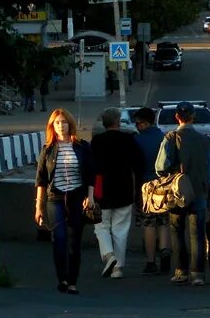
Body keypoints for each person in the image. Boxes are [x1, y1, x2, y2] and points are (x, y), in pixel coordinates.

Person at [33, 109, 96, 294]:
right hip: (55, 198)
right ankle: (62, 278)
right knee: (59, 238)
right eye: (58, 123)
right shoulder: (48, 149)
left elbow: (91, 175)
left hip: (77, 197)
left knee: (74, 241)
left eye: (64, 122)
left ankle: (72, 281)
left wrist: (90, 197)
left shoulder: (82, 146)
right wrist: (39, 207)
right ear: (52, 126)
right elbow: (41, 180)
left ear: (70, 125)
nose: (61, 126)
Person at [156, 101, 210, 286]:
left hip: (177, 192)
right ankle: (198, 274)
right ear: (193, 116)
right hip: (199, 191)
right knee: (197, 233)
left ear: (177, 117)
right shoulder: (205, 140)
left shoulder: (171, 138)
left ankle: (181, 271)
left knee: (177, 230)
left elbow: (160, 166)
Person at [91, 107, 145, 279]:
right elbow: (139, 164)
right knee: (120, 230)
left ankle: (109, 255)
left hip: (102, 190)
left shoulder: (97, 141)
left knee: (101, 226)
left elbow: (91, 167)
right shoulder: (128, 139)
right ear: (118, 122)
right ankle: (118, 268)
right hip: (125, 190)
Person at [133, 107, 172, 274]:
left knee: (149, 224)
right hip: (163, 186)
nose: (136, 126)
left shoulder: (136, 141)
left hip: (145, 187)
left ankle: (151, 262)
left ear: (145, 122)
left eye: (138, 123)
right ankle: (164, 250)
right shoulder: (164, 138)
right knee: (163, 221)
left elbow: (134, 167)